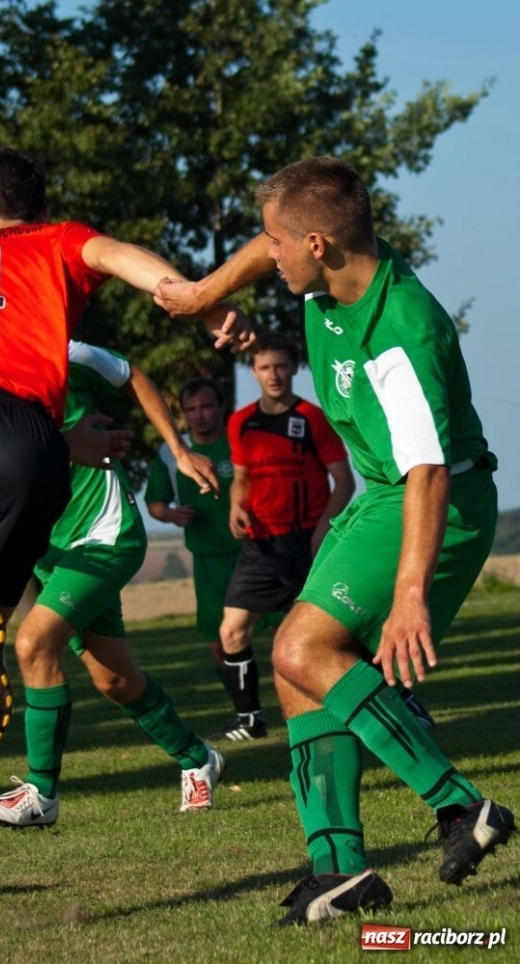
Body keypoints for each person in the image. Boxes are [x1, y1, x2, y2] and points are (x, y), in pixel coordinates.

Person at [153, 156, 515, 923]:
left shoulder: (398, 333)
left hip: (433, 501)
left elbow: (427, 473)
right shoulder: (331, 278)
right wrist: (204, 296)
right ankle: (340, 869)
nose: (269, 254)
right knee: (298, 668)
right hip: (384, 493)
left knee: (299, 648)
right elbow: (267, 249)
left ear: (316, 244)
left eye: (278, 242)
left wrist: (409, 595)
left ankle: (459, 805)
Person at [0, 146, 253, 889]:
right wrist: (203, 301)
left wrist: (170, 447)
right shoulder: (57, 246)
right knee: (108, 673)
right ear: (43, 210)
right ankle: (188, 753)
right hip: (27, 443)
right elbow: (122, 258)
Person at [0, 340, 225, 827]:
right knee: (114, 680)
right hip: (50, 550)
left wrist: (179, 451)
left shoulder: (59, 349)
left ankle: (40, 793)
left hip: (104, 535)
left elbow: (133, 375)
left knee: (33, 644)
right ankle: (198, 758)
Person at [213, 333, 354, 741]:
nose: (273, 375)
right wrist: (236, 506)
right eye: (264, 367)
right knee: (231, 632)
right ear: (253, 371)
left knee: (333, 635)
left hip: (304, 542)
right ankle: (250, 720)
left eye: (280, 366)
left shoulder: (312, 418)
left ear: (293, 368)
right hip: (259, 545)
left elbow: (344, 481)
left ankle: (393, 702)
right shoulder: (241, 421)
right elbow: (241, 478)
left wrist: (323, 528)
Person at [144, 377, 240, 689]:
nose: (199, 415)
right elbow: (154, 504)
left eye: (206, 407)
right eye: (192, 409)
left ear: (221, 407)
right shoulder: (171, 453)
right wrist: (172, 515)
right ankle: (240, 700)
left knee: (283, 624)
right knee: (218, 638)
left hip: (252, 551)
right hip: (206, 557)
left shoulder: (239, 441)